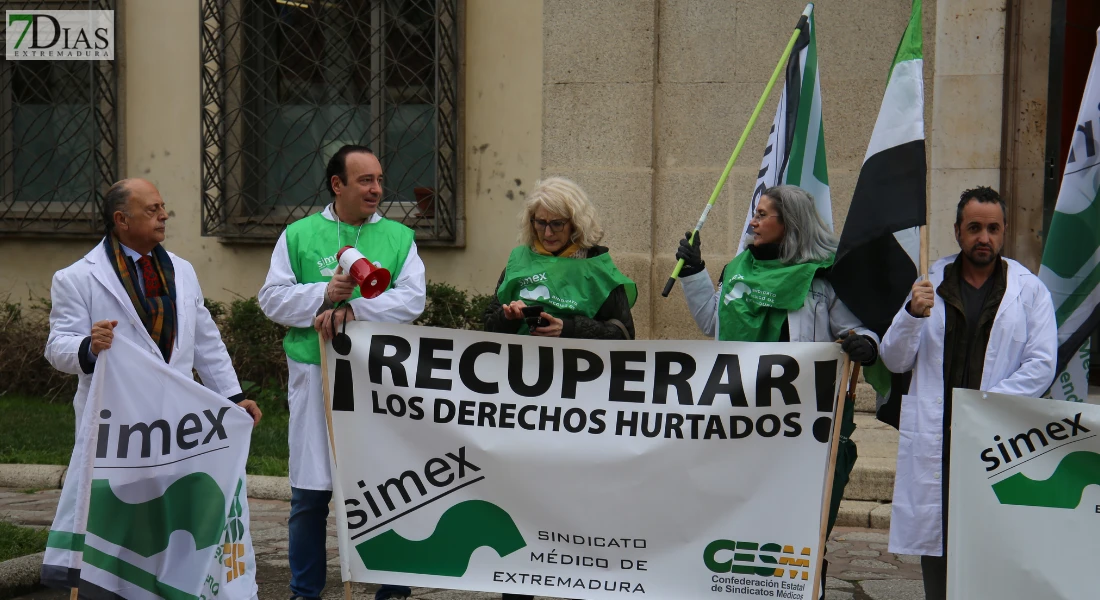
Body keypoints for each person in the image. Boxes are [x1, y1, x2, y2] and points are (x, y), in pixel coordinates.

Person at [44, 178, 262, 598]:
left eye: (163, 207)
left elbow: (204, 340)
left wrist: (232, 399)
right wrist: (89, 347)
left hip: (176, 426)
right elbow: (57, 346)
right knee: (116, 520)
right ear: (121, 220)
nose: (163, 216)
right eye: (152, 210)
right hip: (118, 430)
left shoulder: (181, 270)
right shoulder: (76, 278)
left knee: (171, 517)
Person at [675, 184, 879, 596]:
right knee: (740, 514)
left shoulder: (820, 279)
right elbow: (713, 324)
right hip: (739, 421)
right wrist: (695, 272)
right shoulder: (736, 269)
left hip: (800, 429)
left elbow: (856, 328)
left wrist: (866, 343)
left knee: (797, 519)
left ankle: (802, 586)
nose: (753, 221)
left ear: (790, 224)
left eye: (764, 214)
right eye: (756, 212)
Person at [258, 145, 425, 600]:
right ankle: (304, 591)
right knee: (311, 492)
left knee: (387, 484)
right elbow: (271, 299)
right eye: (365, 180)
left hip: (378, 378)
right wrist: (321, 295)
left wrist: (353, 307)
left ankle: (393, 589)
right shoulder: (298, 235)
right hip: (316, 374)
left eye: (378, 180)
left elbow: (413, 299)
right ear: (338, 185)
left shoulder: (398, 237)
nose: (376, 189)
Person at [879, 186, 1056, 600]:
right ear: (957, 231)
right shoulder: (928, 284)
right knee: (938, 536)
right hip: (937, 440)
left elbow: (1042, 365)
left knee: (991, 536)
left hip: (997, 439)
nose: (984, 237)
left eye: (993, 228)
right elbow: (894, 360)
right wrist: (910, 316)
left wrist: (982, 407)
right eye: (974, 227)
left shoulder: (1029, 291)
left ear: (1005, 232)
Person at [485, 176, 636, 341]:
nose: (548, 233)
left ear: (576, 224)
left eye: (557, 224)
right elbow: (489, 327)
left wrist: (569, 328)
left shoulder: (596, 265)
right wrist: (507, 318)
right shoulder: (519, 261)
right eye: (541, 223)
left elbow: (624, 335)